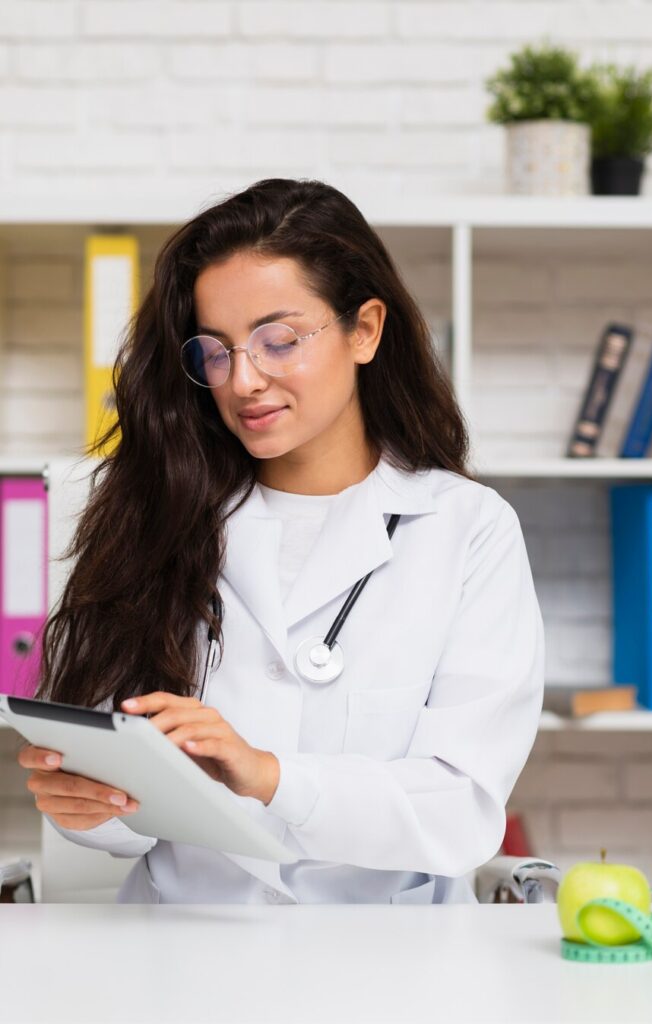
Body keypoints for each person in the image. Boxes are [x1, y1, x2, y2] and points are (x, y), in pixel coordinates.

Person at [18, 177, 545, 904]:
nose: (243, 381)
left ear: (365, 330)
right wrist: (91, 807)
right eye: (216, 351)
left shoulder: (466, 529)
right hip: (179, 940)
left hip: (384, 949)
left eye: (278, 340)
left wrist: (270, 776)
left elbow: (462, 808)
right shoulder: (152, 515)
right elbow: (117, 805)